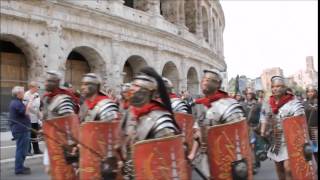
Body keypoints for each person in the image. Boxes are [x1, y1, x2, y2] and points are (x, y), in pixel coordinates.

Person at [120, 66, 180, 179]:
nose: (131, 89)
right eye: (132, 85)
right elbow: (123, 140)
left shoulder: (161, 121)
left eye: (136, 86)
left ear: (147, 91)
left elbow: (167, 164)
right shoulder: (130, 112)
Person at [192, 68, 246, 178]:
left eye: (209, 80)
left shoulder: (228, 105)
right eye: (204, 79)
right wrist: (192, 153)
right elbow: (198, 133)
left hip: (227, 158)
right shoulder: (201, 105)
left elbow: (238, 136)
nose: (204, 82)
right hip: (207, 156)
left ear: (218, 84)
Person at [260, 76, 305, 180]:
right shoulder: (268, 103)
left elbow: (300, 123)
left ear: (284, 87)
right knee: (279, 167)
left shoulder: (294, 103)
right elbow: (263, 116)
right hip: (276, 141)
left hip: (291, 142)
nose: (275, 89)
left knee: (288, 168)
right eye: (273, 86)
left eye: (278, 86)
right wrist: (263, 129)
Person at [41, 71, 80, 174]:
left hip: (63, 144)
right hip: (51, 141)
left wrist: (71, 146)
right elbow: (47, 119)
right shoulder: (46, 98)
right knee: (50, 170)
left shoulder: (63, 100)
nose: (45, 83)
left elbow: (70, 125)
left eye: (49, 81)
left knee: (64, 172)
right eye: (46, 80)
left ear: (57, 82)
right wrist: (43, 130)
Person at [9, 86, 32, 175]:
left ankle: (20, 166)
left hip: (21, 129)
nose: (24, 94)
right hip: (21, 129)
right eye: (23, 92)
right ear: (18, 94)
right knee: (21, 149)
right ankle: (18, 169)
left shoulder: (17, 102)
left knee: (22, 149)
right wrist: (30, 102)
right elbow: (25, 112)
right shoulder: (16, 103)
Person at [23, 81, 43, 155]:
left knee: (35, 134)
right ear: (32, 87)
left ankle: (36, 150)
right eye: (37, 87)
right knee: (28, 135)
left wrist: (39, 115)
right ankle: (28, 150)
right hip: (29, 118)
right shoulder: (26, 95)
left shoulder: (37, 94)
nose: (38, 88)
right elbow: (25, 107)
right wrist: (35, 111)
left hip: (36, 118)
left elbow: (38, 106)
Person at [303, 84, 318, 163]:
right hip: (308, 130)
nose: (310, 93)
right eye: (308, 92)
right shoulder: (304, 104)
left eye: (312, 91)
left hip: (317, 129)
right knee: (314, 151)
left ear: (315, 92)